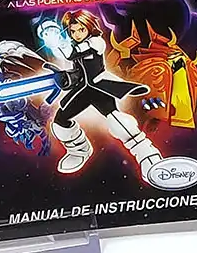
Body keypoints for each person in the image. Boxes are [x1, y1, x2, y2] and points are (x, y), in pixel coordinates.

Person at [49, 10, 162, 177]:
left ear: (89, 27)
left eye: (81, 29)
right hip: (82, 89)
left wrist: (58, 43)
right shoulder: (74, 44)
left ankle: (149, 157)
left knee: (118, 122)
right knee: (60, 122)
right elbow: (70, 58)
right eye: (72, 31)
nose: (77, 34)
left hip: (100, 87)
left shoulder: (96, 42)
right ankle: (79, 150)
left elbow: (74, 53)